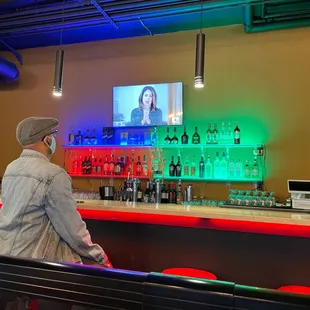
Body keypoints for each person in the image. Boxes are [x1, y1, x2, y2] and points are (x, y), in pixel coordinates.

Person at [0, 117, 112, 309]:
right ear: (46, 140)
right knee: (97, 282)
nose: (55, 140)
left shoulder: (11, 168)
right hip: (36, 266)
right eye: (53, 135)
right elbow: (72, 229)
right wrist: (99, 257)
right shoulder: (53, 174)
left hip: (7, 260)